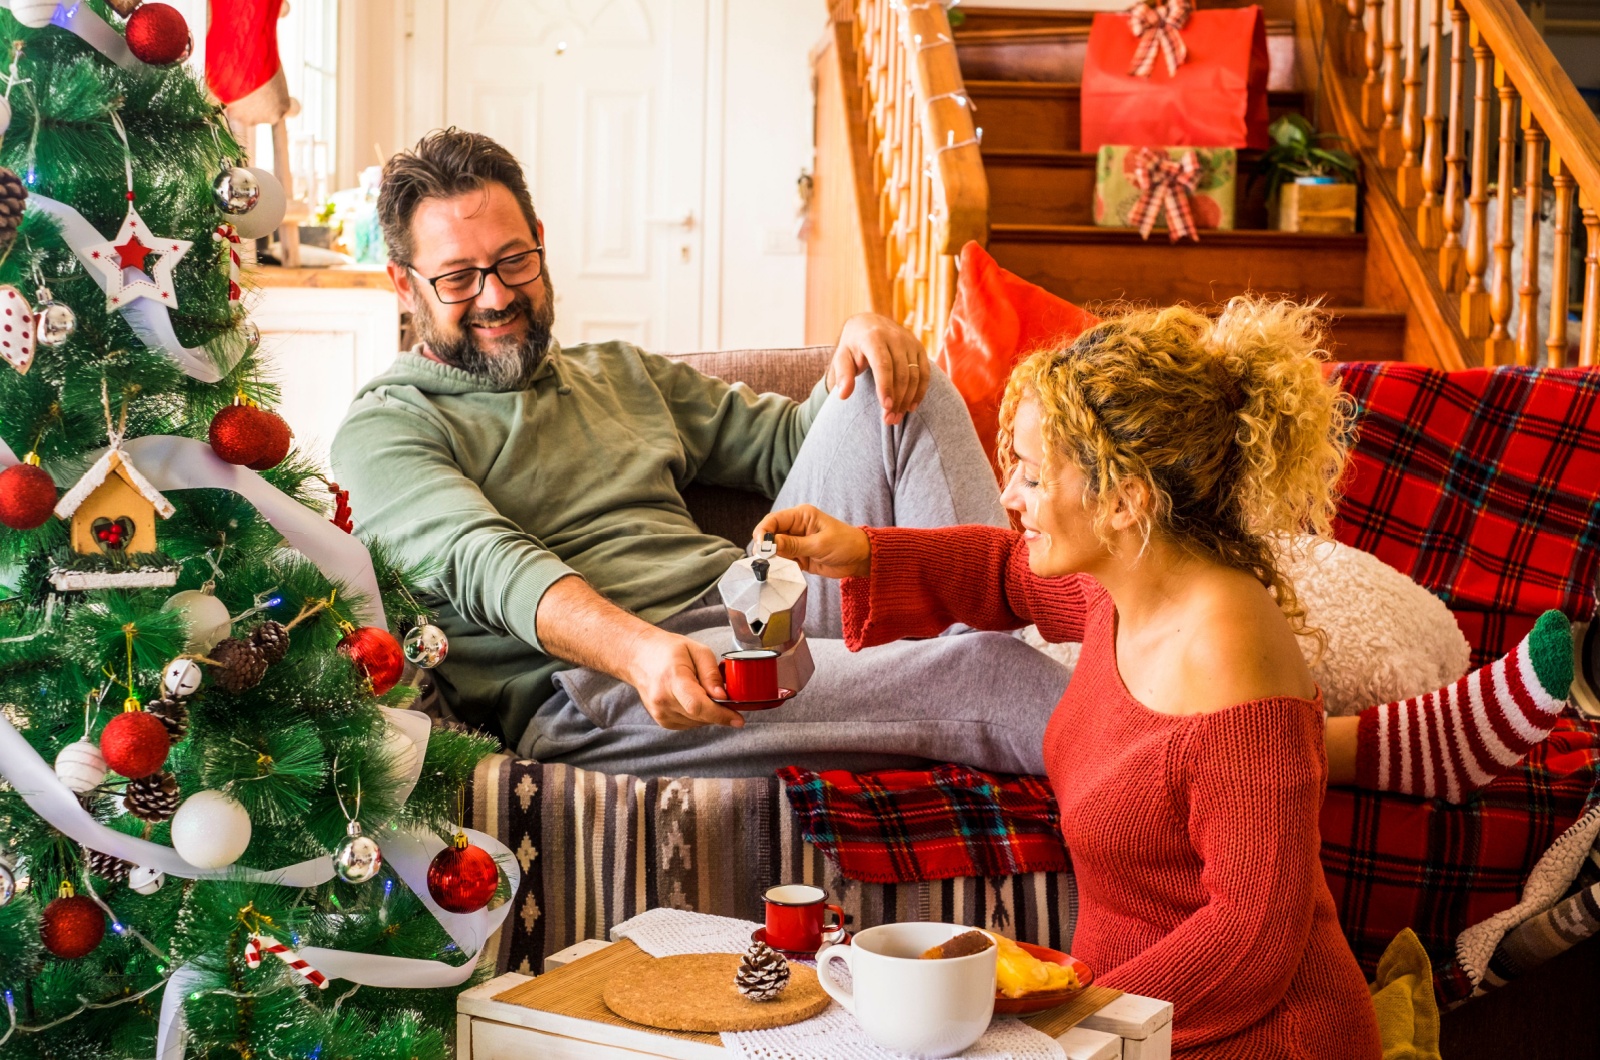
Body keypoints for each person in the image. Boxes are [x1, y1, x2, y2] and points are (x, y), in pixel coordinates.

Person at [758, 300, 1575, 1057]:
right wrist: (862, 550)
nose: (1013, 495)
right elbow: (1008, 575)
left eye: (1037, 476)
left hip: (1251, 1037)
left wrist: (1079, 1034)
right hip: (1128, 1021)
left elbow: (1253, 933)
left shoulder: (1228, 655)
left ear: (1126, 499)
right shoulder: (1132, 584)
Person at [331, 127, 1073, 776]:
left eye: (513, 261)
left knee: (903, 386)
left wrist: (859, 342)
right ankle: (1120, 738)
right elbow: (487, 562)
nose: (495, 296)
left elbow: (791, 443)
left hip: (747, 604)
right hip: (606, 686)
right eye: (458, 277)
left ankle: (1022, 632)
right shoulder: (387, 426)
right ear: (405, 285)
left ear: (541, 244)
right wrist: (637, 651)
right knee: (986, 673)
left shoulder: (615, 371)